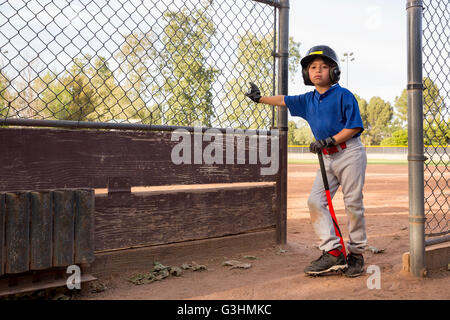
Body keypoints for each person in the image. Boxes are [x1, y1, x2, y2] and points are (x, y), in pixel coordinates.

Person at [245, 45, 367, 277]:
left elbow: (354, 126)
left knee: (352, 203)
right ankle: (332, 251)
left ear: (335, 72)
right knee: (315, 201)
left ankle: (357, 253)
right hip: (327, 157)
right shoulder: (308, 100)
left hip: (349, 153)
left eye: (324, 66)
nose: (318, 71)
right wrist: (260, 99)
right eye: (312, 67)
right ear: (306, 74)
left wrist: (330, 140)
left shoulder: (344, 95)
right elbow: (284, 100)